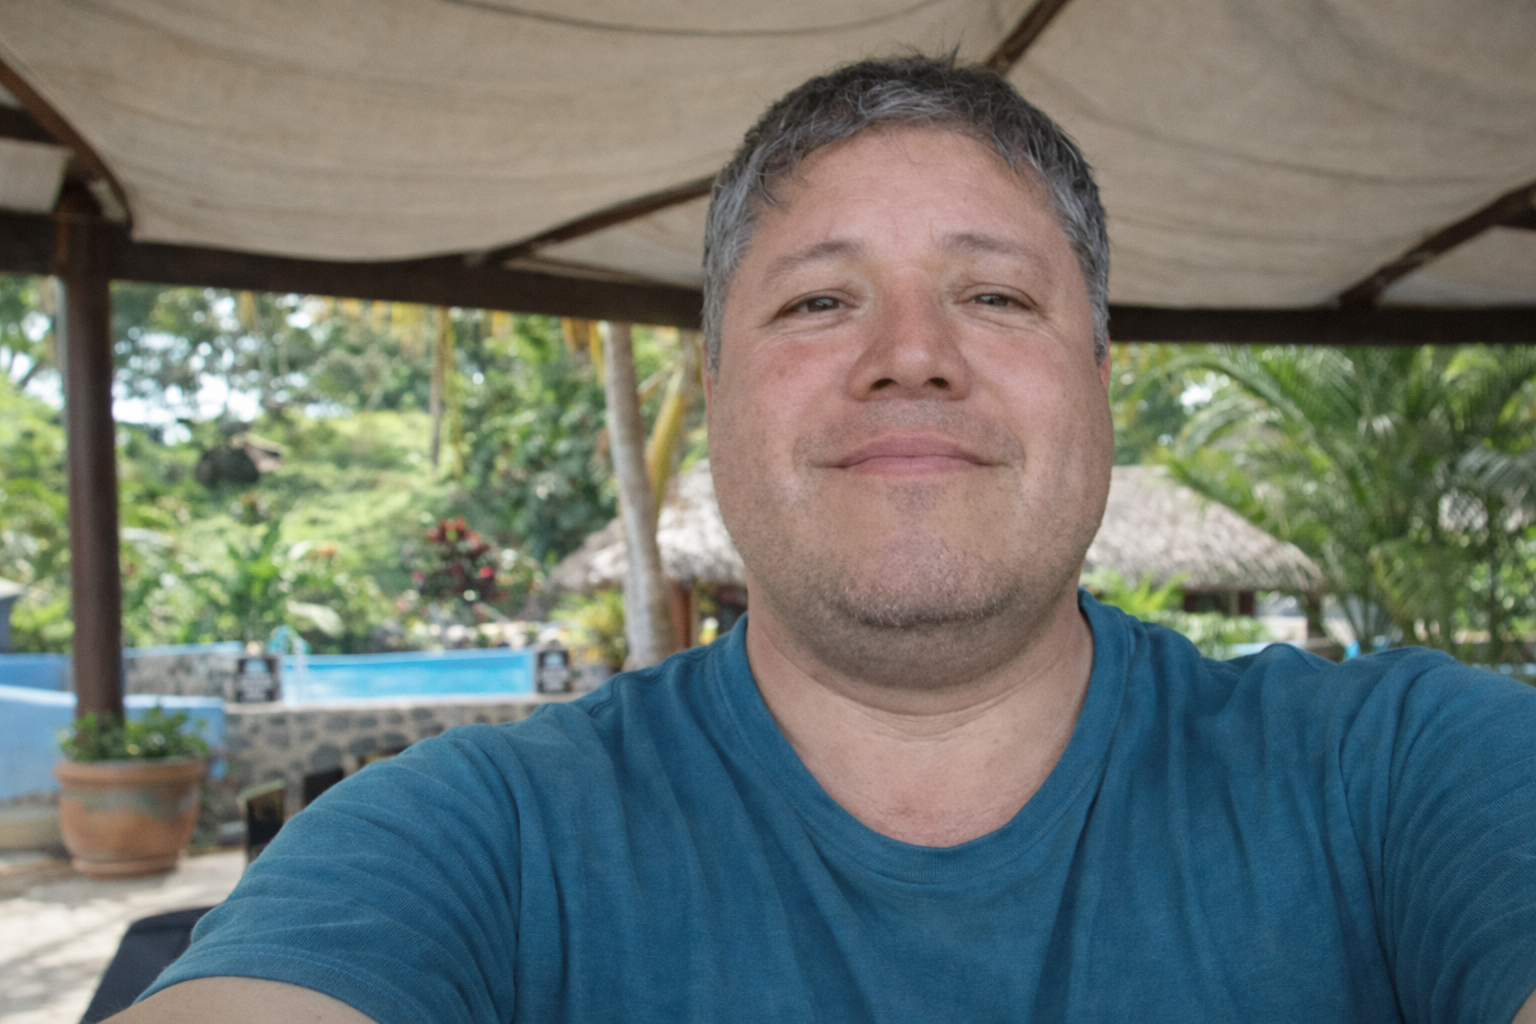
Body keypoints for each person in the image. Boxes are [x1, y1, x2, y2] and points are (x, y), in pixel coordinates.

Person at [115, 56, 1536, 1024]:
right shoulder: (476, 837)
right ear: (716, 392)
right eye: (816, 303)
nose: (911, 355)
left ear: (1103, 383)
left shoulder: (1411, 772)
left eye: (996, 296)